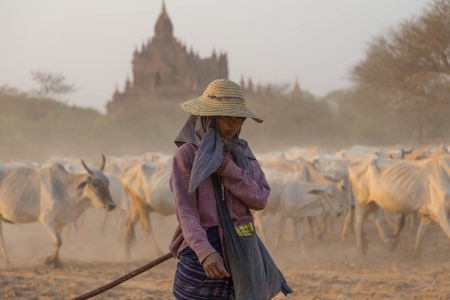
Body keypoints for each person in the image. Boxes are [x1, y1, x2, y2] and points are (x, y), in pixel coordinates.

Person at [169, 79, 270, 299]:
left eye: (238, 118)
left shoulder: (242, 154)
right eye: (227, 117)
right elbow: (186, 212)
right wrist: (205, 253)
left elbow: (261, 199)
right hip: (202, 253)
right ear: (210, 118)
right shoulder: (186, 155)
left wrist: (229, 170)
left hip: (241, 250)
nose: (234, 125)